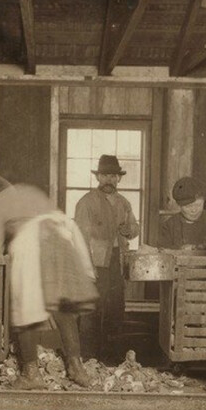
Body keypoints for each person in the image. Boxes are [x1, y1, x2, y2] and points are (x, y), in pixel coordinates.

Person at [0, 136, 99, 389]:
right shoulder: (3, 185)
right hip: (59, 238)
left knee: (24, 307)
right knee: (63, 307)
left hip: (31, 240)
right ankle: (76, 368)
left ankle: (31, 374)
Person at [73, 154, 140, 361]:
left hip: (116, 262)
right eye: (104, 176)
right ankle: (87, 358)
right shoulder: (86, 202)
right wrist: (87, 268)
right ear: (97, 177)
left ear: (118, 179)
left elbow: (134, 230)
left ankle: (110, 360)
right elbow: (79, 238)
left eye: (113, 176)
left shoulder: (124, 203)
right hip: (94, 264)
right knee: (91, 310)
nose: (109, 180)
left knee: (115, 308)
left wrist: (129, 228)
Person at [158, 177, 206, 250]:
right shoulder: (169, 226)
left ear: (203, 200)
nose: (194, 210)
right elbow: (162, 251)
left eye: (198, 205)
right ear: (179, 205)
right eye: (188, 206)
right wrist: (180, 249)